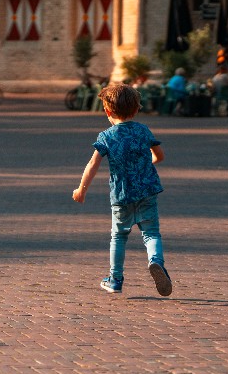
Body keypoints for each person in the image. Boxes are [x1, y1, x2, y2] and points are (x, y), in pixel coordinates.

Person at [72, 82, 172, 297]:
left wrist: (81, 189)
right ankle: (156, 261)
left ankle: (115, 279)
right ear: (136, 109)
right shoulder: (143, 130)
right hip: (147, 190)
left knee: (118, 236)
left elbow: (93, 165)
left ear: (107, 111)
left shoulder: (106, 136)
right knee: (151, 233)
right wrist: (147, 164)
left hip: (122, 194)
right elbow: (160, 156)